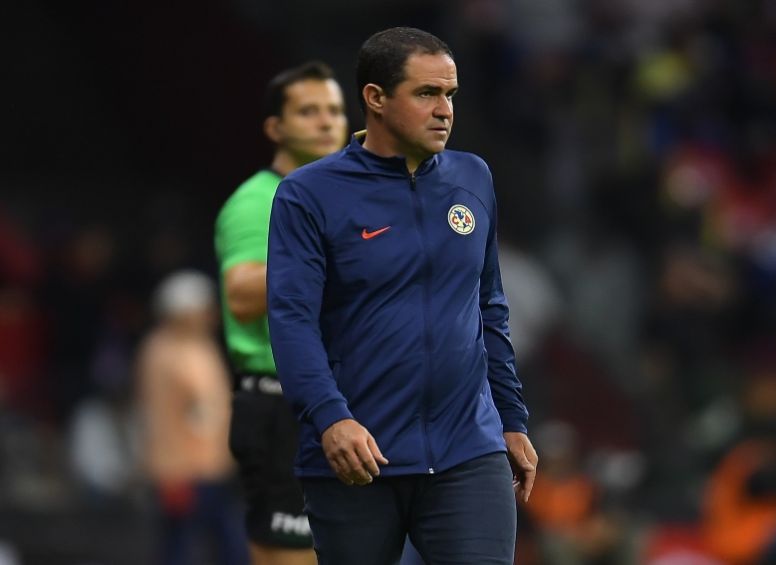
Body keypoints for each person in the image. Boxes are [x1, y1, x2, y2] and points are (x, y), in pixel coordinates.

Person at [266, 27, 538, 565]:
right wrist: (330, 418)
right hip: (358, 454)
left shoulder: (473, 177)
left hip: (468, 450)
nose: (444, 111)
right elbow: (292, 320)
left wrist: (511, 418)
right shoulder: (309, 194)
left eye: (450, 95)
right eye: (426, 93)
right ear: (375, 98)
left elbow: (489, 306)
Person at [214, 61, 347, 565]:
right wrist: (332, 253)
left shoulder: (338, 196)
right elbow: (242, 295)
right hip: (282, 406)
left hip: (335, 401)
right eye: (308, 111)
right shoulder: (258, 200)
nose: (326, 121)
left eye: (334, 110)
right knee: (292, 557)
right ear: (276, 128)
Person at [135, 270, 249, 565]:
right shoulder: (172, 352)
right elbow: (202, 410)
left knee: (210, 542)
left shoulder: (183, 346)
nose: (210, 316)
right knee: (186, 546)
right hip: (185, 470)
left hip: (206, 467)